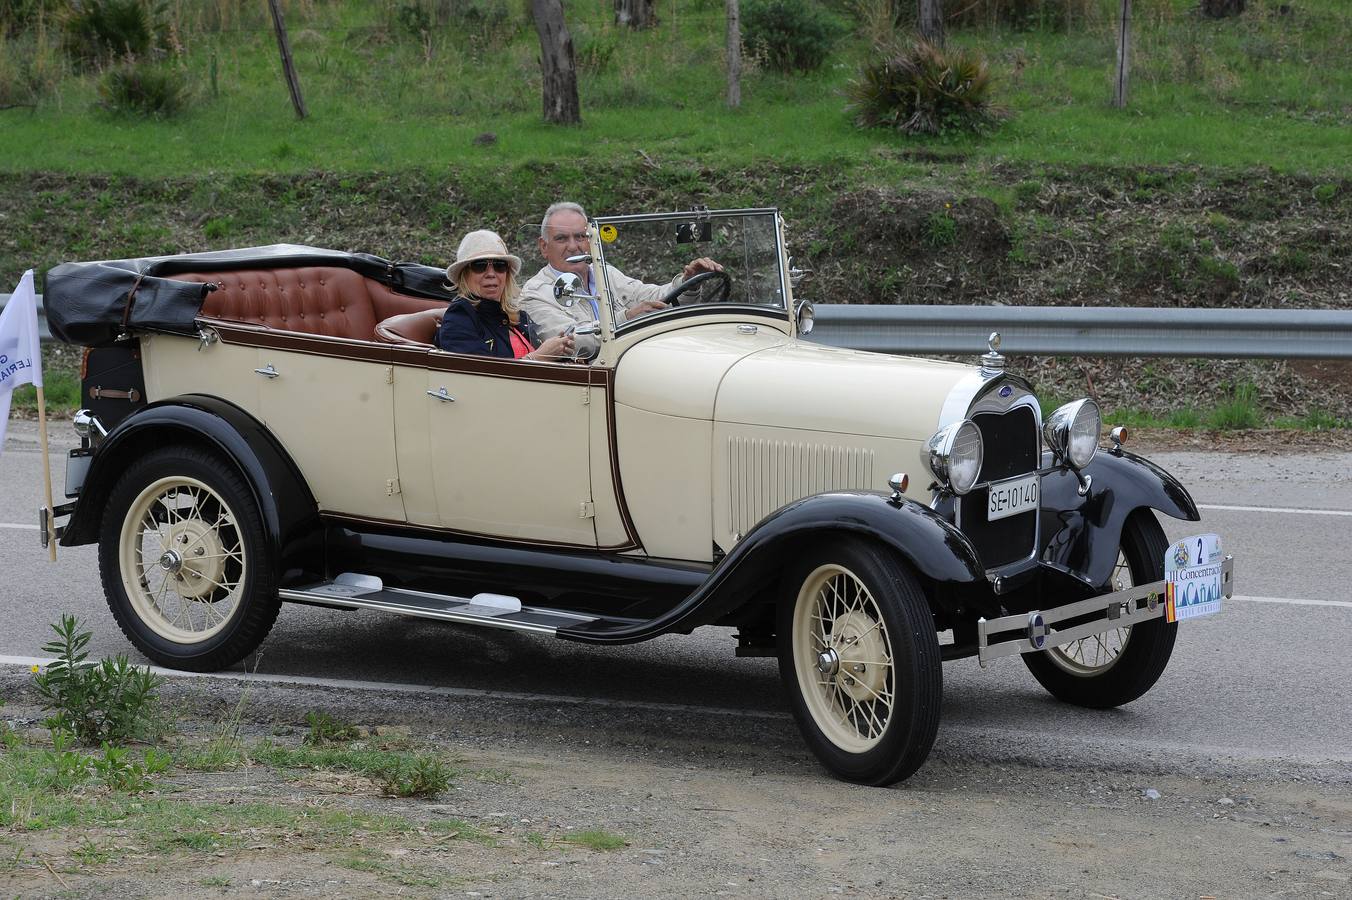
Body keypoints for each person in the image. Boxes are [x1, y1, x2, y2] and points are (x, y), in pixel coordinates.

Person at [519, 202, 723, 358]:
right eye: (562, 238)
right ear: (544, 247)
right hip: (589, 380)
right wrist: (627, 318)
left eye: (581, 237)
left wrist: (688, 283)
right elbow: (570, 342)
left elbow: (653, 298)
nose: (573, 247)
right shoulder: (535, 292)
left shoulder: (603, 272)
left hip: (633, 362)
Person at [435, 229, 575, 362]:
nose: (491, 273)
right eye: (480, 266)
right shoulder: (460, 317)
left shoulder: (519, 316)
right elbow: (479, 376)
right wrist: (538, 357)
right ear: (464, 275)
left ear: (507, 274)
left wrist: (561, 351)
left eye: (499, 265)